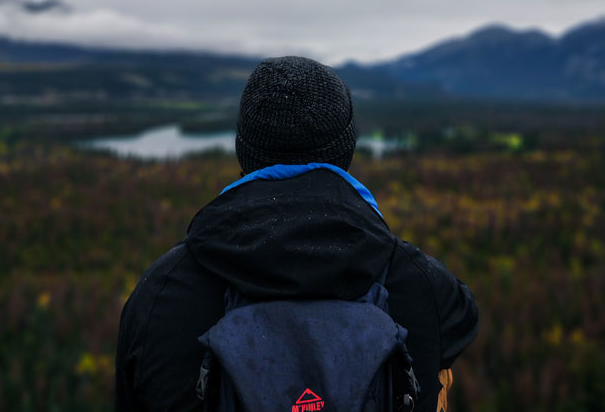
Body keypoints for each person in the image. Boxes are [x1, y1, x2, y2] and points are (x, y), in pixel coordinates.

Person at [115, 56, 479, 412]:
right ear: (346, 150)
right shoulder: (426, 288)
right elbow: (464, 319)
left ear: (244, 149)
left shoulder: (160, 295)